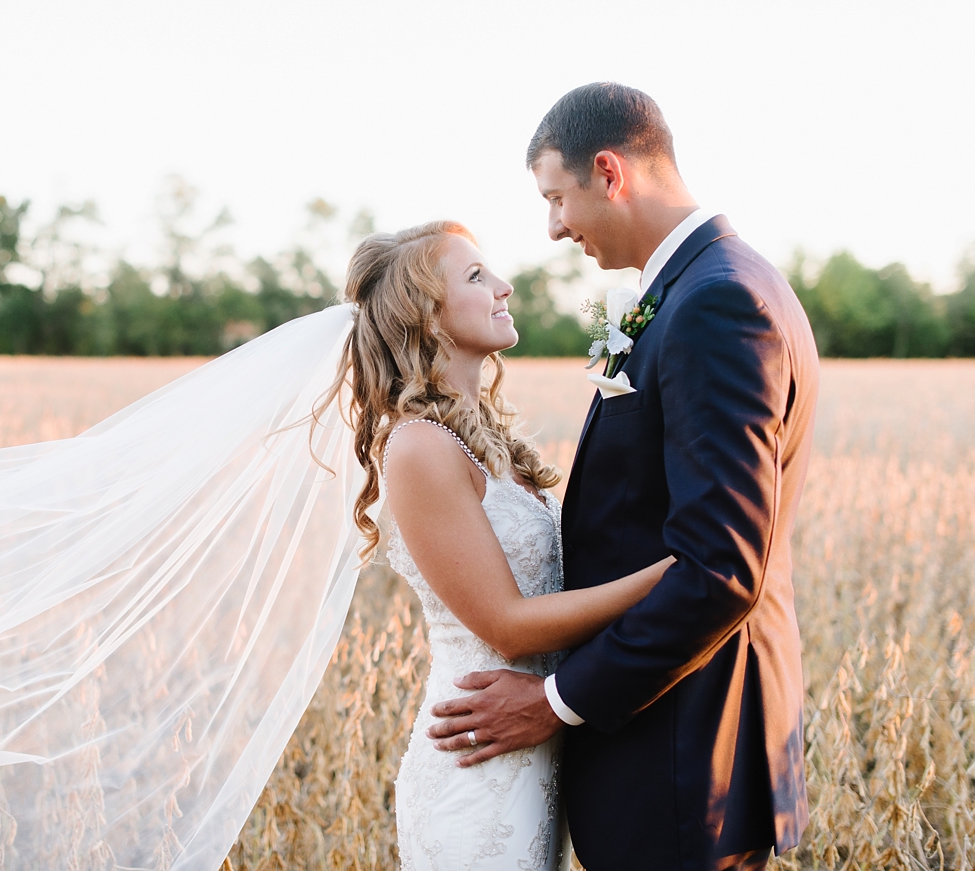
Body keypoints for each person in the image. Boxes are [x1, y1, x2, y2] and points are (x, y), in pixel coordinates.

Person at [424, 83, 819, 871]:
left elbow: (718, 567)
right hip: (670, 734)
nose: (553, 226)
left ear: (609, 171)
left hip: (681, 743)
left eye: (556, 197)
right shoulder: (696, 288)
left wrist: (554, 703)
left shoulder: (716, 303)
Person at [322, 219, 673, 869]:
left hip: (531, 753)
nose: (504, 286)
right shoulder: (419, 445)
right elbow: (508, 627)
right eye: (476, 276)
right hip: (474, 763)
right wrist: (669, 573)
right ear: (422, 314)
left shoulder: (480, 438)